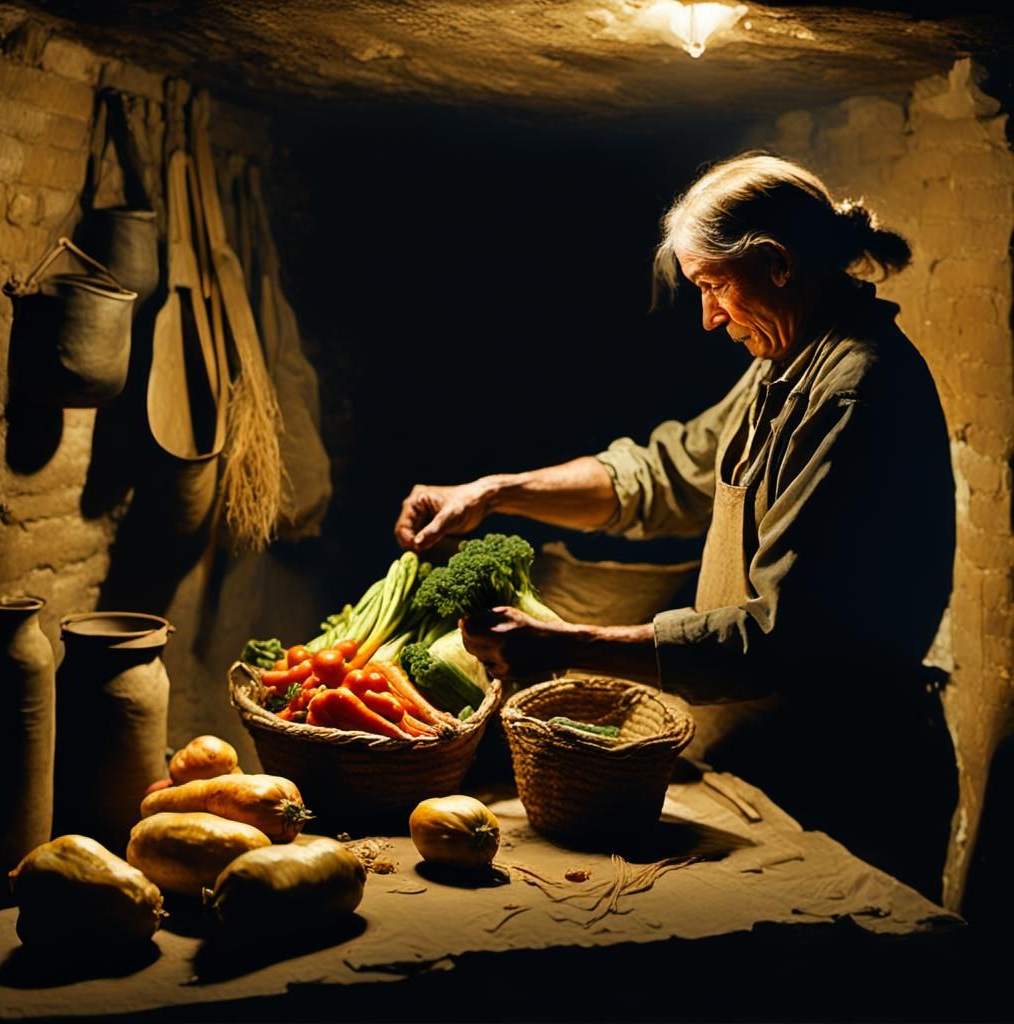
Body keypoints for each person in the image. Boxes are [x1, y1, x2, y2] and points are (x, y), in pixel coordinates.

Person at [394, 153, 957, 901]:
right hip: (774, 759)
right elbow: (669, 473)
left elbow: (785, 636)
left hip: (849, 777)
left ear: (777, 263)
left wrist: (565, 645)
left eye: (713, 286)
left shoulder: (852, 392)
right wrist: (496, 493)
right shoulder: (786, 361)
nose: (709, 317)